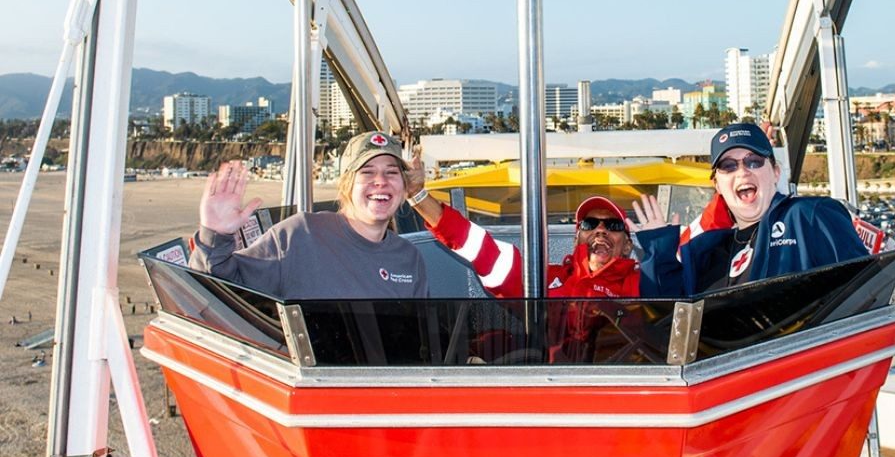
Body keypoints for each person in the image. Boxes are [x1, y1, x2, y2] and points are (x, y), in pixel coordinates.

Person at [633, 122, 867, 297]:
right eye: (728, 166)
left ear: (775, 172)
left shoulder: (809, 216)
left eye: (754, 161)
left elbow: (864, 290)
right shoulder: (705, 251)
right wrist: (659, 254)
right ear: (717, 185)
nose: (743, 172)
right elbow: (667, 320)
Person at [189, 131, 427, 299]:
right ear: (346, 184)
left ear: (404, 186)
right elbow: (218, 292)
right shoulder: (300, 235)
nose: (381, 182)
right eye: (367, 172)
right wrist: (215, 235)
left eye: (391, 172)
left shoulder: (408, 257)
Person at [405, 159, 640, 300]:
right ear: (577, 238)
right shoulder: (540, 280)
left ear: (628, 244)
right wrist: (418, 195)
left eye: (613, 225)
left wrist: (659, 241)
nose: (600, 230)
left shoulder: (645, 285)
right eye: (589, 224)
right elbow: (476, 245)